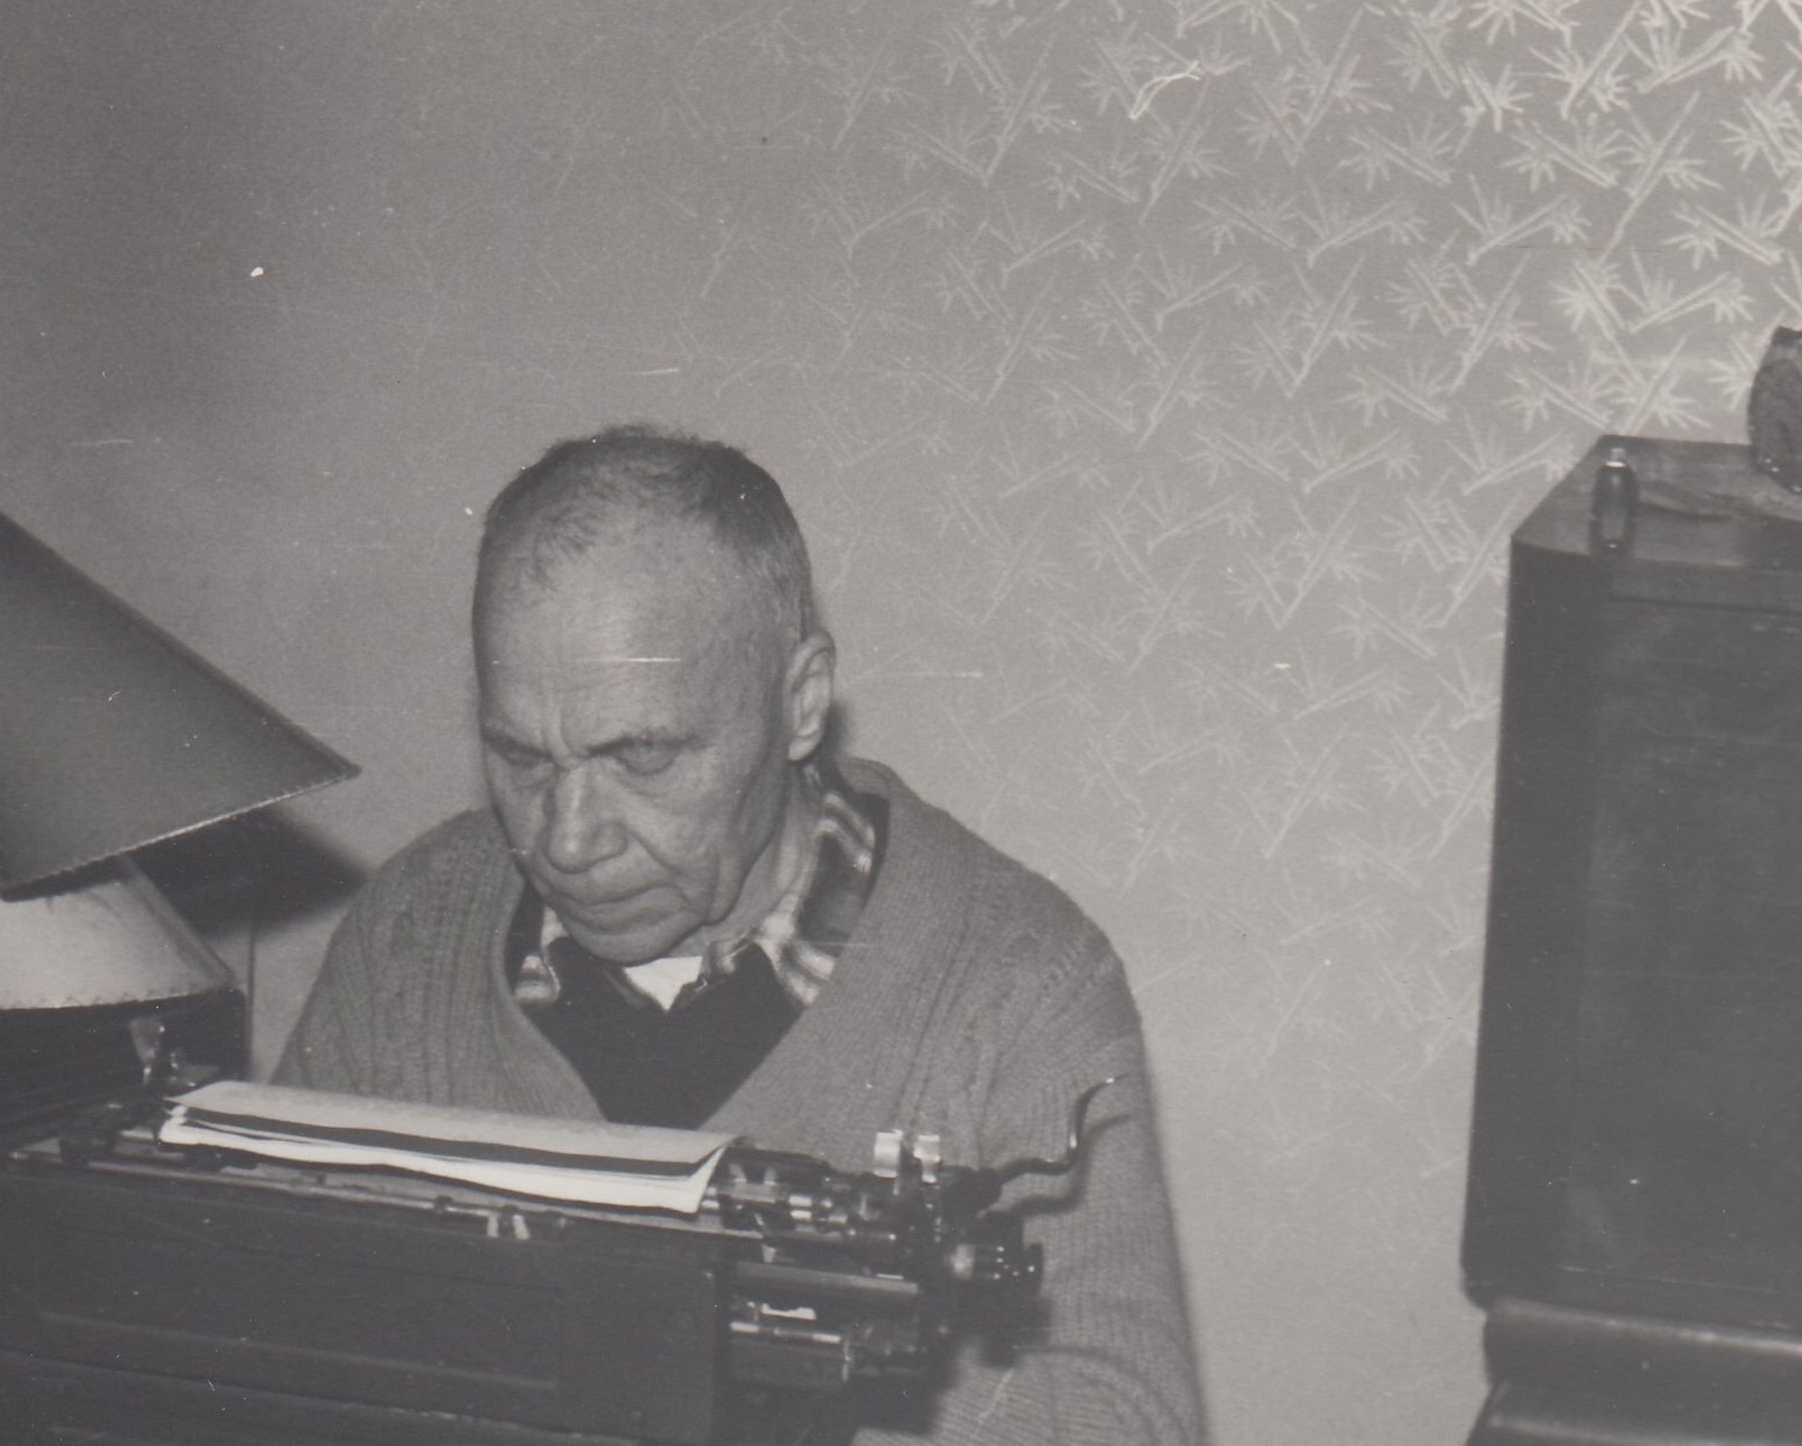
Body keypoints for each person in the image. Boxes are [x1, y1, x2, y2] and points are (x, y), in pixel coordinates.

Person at [278, 425, 1203, 1446]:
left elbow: (1126, 1424)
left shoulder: (1021, 984)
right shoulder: (412, 929)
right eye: (522, 758)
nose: (568, 838)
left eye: (642, 757)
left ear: (799, 703)